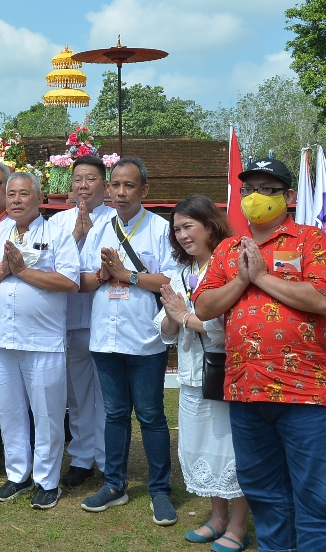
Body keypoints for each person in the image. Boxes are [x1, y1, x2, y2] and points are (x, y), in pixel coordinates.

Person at [194, 158, 326, 551]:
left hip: (307, 392)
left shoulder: (312, 241)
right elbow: (205, 306)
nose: (256, 197)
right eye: (249, 190)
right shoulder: (229, 249)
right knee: (265, 493)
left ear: (289, 196)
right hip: (247, 392)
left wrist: (262, 277)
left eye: (269, 189)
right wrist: (243, 278)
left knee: (317, 497)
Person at [78, 157, 179, 526]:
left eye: (129, 186)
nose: (120, 193)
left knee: (151, 415)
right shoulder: (100, 228)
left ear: (144, 191)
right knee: (115, 414)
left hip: (146, 338)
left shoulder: (160, 229)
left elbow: (170, 279)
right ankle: (115, 485)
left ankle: (160, 490)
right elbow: (84, 281)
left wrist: (128, 275)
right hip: (105, 336)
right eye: (115, 185)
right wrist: (104, 274)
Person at [0, 172, 80, 510]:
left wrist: (21, 272)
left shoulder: (58, 234)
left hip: (42, 342)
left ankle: (47, 481)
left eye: (23, 194)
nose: (16, 200)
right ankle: (17, 474)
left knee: (46, 413)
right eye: (11, 194)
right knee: (10, 411)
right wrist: (5, 270)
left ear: (39, 196)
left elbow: (69, 282)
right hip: (2, 342)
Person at [158, 195, 248, 551]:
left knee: (230, 450)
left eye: (188, 226)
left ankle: (238, 526)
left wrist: (184, 316)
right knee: (204, 449)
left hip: (225, 373)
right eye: (176, 229)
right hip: (192, 377)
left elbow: (225, 328)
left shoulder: (228, 269)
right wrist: (171, 312)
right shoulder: (183, 272)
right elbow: (166, 333)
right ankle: (217, 518)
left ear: (210, 226)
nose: (182, 235)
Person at [47, 155, 113, 487]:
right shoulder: (57, 224)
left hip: (106, 318)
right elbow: (48, 266)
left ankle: (107, 458)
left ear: (105, 183)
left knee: (106, 393)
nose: (83, 186)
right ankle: (83, 457)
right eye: (77, 180)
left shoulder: (116, 221)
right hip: (70, 317)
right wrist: (76, 235)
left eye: (90, 179)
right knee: (76, 393)